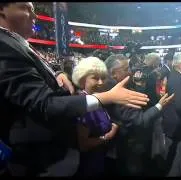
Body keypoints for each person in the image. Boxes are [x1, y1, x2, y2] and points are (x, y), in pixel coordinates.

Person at [0, 2, 149, 176]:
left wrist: (57, 73)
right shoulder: (4, 46)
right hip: (40, 161)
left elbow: (39, 68)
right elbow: (44, 103)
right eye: (26, 8)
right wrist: (105, 98)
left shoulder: (17, 42)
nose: (35, 16)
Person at [71, 57, 119, 177]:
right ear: (82, 80)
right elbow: (83, 144)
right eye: (95, 78)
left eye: (103, 78)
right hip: (88, 167)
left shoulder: (96, 98)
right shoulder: (82, 104)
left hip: (100, 162)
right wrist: (107, 137)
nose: (101, 82)